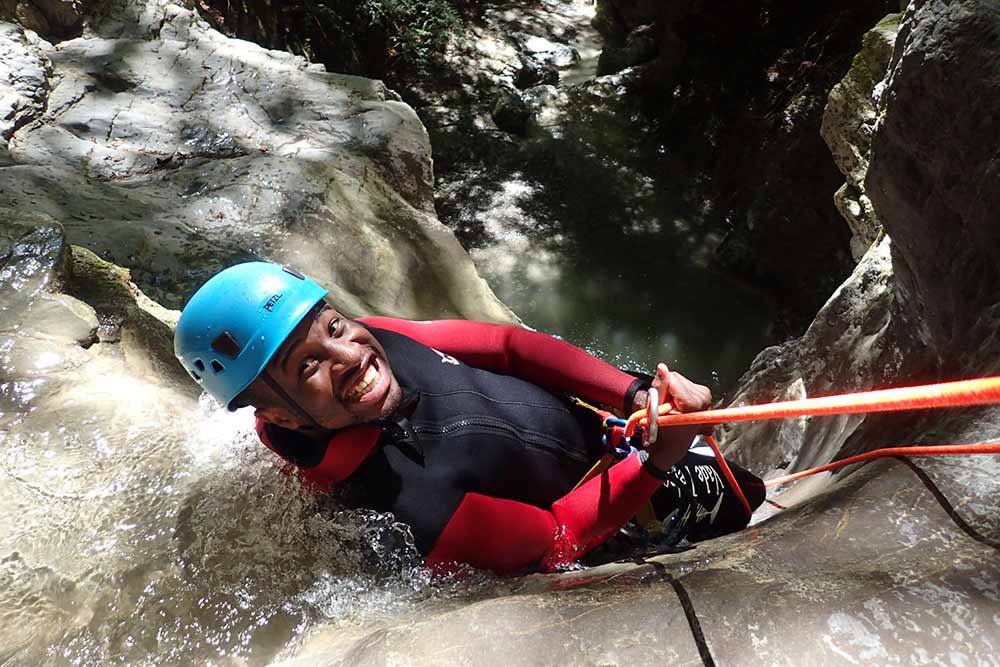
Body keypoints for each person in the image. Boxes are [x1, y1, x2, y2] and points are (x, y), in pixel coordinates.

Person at [174, 262, 765, 574]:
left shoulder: (376, 339)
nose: (352, 356)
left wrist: (632, 394)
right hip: (618, 504)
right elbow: (556, 541)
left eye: (333, 327)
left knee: (747, 485)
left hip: (612, 440)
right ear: (277, 411)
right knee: (750, 501)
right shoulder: (400, 504)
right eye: (309, 366)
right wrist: (657, 462)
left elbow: (506, 346)